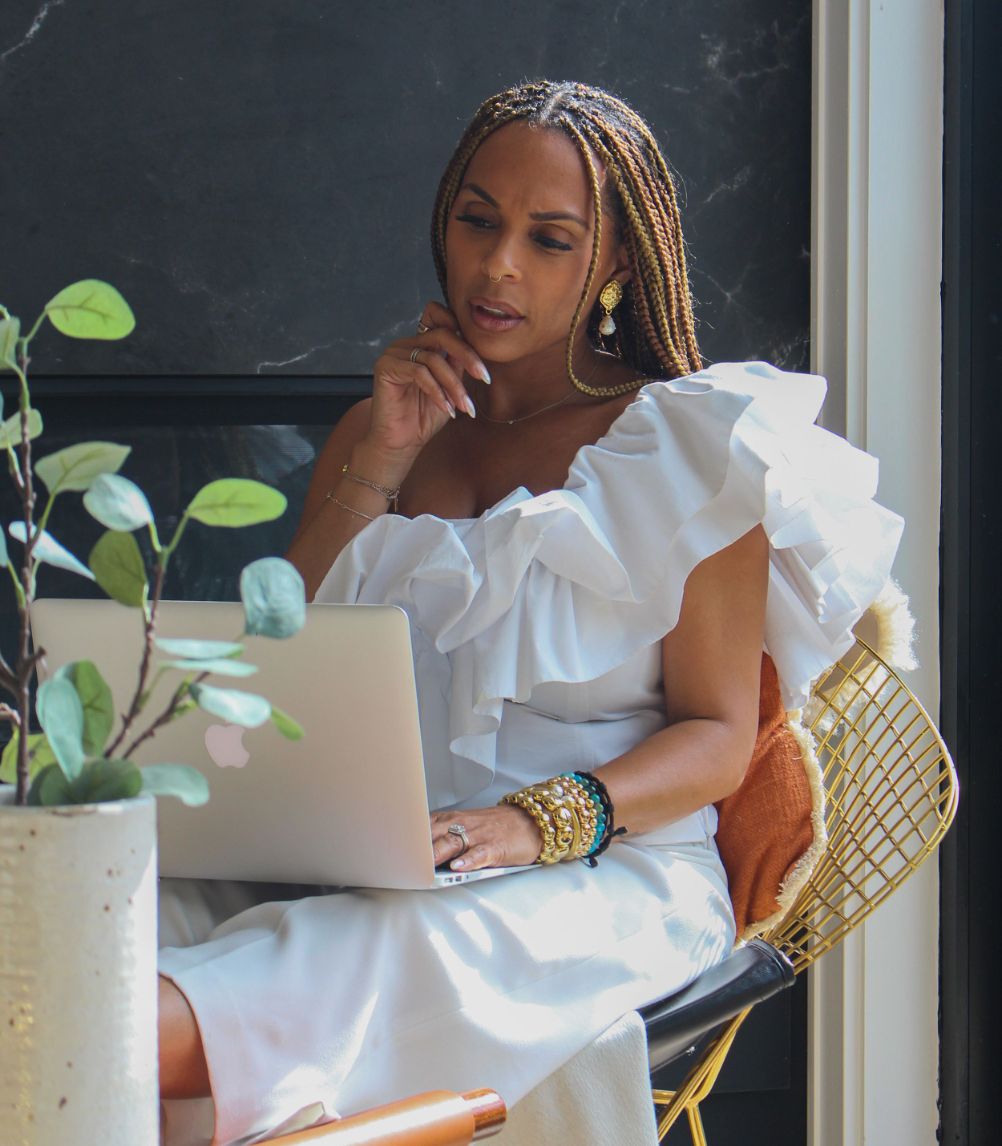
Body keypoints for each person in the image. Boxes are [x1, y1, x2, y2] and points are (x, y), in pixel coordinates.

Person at [157, 80, 902, 1144]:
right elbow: (275, 660)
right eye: (478, 221)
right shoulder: (381, 430)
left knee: (349, 950)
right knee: (112, 893)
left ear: (617, 264)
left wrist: (534, 823)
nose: (497, 265)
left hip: (605, 870)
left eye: (550, 240)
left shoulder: (689, 446)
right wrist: (384, 457)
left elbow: (716, 737)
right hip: (386, 851)